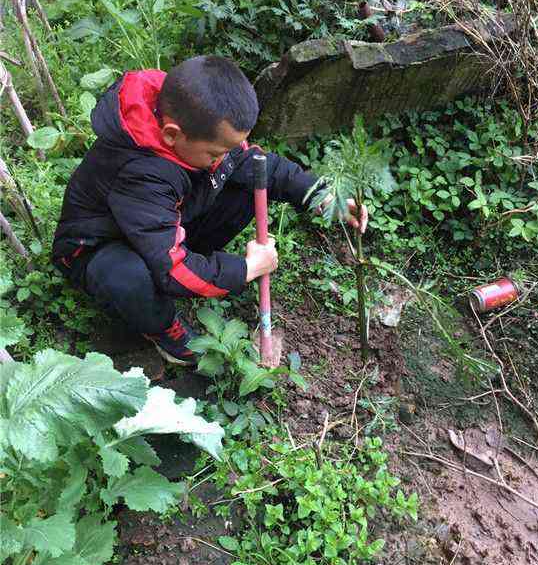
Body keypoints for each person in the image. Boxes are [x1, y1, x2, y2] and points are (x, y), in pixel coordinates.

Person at [52, 56, 367, 365]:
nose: (225, 158)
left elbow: (258, 167)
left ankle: (197, 266)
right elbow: (171, 269)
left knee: (248, 184)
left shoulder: (195, 125)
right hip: (100, 247)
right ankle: (161, 327)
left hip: (158, 224)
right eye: (216, 152)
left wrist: (323, 197)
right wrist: (245, 269)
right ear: (172, 134)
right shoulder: (141, 174)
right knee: (126, 275)